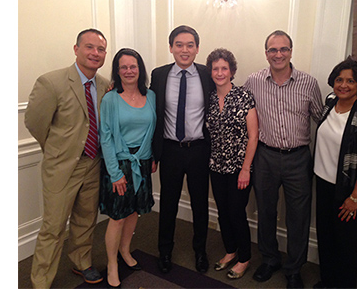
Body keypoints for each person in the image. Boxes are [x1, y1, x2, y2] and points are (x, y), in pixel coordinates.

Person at [25, 28, 109, 287]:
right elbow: (35, 122)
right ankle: (41, 281)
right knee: (53, 227)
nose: (95, 53)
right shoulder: (51, 82)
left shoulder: (105, 85)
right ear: (76, 49)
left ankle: (81, 262)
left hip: (93, 164)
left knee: (86, 220)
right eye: (89, 47)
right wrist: (57, 150)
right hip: (62, 167)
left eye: (101, 49)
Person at [243, 30, 323, 288]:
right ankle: (269, 259)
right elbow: (240, 111)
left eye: (283, 49)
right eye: (273, 50)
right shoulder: (253, 81)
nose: (278, 54)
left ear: (291, 51)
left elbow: (321, 119)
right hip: (265, 155)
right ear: (266, 53)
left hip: (298, 158)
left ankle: (293, 268)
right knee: (265, 210)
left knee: (298, 217)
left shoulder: (309, 83)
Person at [312, 59, 357, 288]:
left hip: (348, 189)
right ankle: (328, 282)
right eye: (339, 79)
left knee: (344, 243)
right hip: (322, 182)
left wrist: (354, 197)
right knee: (325, 237)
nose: (343, 85)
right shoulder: (329, 102)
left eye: (350, 81)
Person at [150, 25, 215, 274]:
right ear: (171, 48)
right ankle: (164, 251)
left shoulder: (207, 74)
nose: (184, 50)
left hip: (199, 149)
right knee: (168, 203)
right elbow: (148, 107)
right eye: (179, 44)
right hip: (170, 149)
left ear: (197, 48)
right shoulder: (159, 75)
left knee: (200, 204)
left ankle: (200, 251)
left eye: (190, 45)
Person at [98, 48, 155, 288]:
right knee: (118, 217)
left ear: (140, 69)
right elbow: (106, 137)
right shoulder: (110, 98)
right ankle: (112, 263)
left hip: (142, 162)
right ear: (117, 71)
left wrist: (150, 156)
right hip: (119, 164)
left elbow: (152, 129)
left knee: (134, 212)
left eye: (133, 66)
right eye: (124, 67)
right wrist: (115, 173)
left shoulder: (150, 95)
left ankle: (125, 250)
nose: (129, 71)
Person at [203, 48, 258, 279]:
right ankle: (230, 250)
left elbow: (253, 135)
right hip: (216, 166)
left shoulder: (244, 96)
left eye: (224, 68)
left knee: (236, 212)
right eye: (215, 68)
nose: (219, 72)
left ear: (232, 71)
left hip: (239, 168)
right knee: (222, 212)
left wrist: (246, 169)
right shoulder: (210, 98)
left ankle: (244, 257)